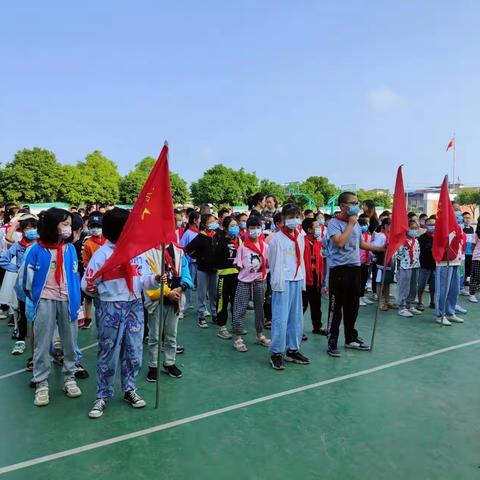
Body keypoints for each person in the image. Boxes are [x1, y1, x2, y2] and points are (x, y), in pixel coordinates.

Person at [82, 208, 163, 419]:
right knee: (108, 352)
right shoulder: (103, 255)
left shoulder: (137, 252)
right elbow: (88, 284)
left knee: (134, 350)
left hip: (135, 305)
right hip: (111, 307)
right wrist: (104, 299)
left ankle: (129, 389)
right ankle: (102, 395)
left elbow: (144, 279)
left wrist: (155, 279)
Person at [21, 208, 82, 407]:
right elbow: (27, 283)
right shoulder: (36, 250)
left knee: (70, 341)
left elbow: (74, 275)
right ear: (51, 226)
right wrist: (38, 299)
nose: (68, 228)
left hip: (67, 300)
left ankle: (69, 376)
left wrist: (76, 300)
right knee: (42, 342)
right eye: (64, 224)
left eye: (69, 224)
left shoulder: (70, 248)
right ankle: (41, 382)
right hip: (45, 300)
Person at [325, 192, 385, 358]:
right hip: (339, 270)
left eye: (357, 202)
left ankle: (350, 338)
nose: (357, 206)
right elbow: (339, 242)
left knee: (353, 306)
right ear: (343, 206)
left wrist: (380, 248)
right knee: (336, 308)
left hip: (355, 268)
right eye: (353, 203)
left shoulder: (357, 224)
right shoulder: (334, 223)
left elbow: (361, 244)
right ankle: (332, 341)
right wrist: (351, 224)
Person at [268, 204, 309, 370]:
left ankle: (293, 349)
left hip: (297, 279)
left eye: (297, 216)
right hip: (282, 282)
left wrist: (302, 277)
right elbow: (273, 263)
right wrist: (277, 283)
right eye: (290, 217)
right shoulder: (276, 239)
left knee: (296, 318)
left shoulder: (300, 235)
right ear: (283, 219)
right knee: (280, 318)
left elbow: (301, 259)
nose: (294, 220)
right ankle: (276, 352)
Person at [144, 242, 193, 381]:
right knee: (155, 336)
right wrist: (166, 293)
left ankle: (169, 362)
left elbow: (185, 273)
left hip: (175, 300)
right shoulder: (148, 252)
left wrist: (181, 287)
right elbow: (147, 279)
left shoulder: (178, 251)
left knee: (172, 334)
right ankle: (153, 365)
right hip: (157, 300)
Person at [0, 215, 38, 355]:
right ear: (22, 231)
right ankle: (21, 340)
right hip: (23, 287)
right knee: (22, 313)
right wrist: (17, 269)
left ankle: (41, 343)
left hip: (39, 287)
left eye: (34, 228)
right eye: (27, 228)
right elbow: (3, 260)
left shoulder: (40, 245)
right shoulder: (18, 245)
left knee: (39, 315)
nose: (31, 231)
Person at [232, 216, 271, 351]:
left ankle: (260, 335)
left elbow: (267, 263)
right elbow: (238, 265)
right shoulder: (243, 247)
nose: (255, 231)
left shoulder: (265, 246)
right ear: (247, 230)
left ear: (262, 229)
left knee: (260, 309)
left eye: (257, 228)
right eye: (252, 228)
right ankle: (237, 338)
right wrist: (247, 273)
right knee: (240, 309)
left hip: (260, 281)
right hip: (244, 282)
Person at [185, 214, 218, 328]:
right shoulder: (200, 237)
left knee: (214, 293)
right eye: (211, 221)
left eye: (214, 221)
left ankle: (214, 313)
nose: (214, 223)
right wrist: (200, 257)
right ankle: (201, 316)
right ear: (204, 224)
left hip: (214, 269)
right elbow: (188, 249)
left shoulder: (215, 235)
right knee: (202, 293)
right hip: (202, 269)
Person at [434, 214, 466, 326]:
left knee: (455, 290)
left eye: (461, 219)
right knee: (443, 290)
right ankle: (439, 314)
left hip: (456, 262)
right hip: (444, 263)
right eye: (457, 219)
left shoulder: (460, 230)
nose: (460, 221)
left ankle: (450, 312)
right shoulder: (444, 229)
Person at [214, 216, 240, 340]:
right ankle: (222, 327)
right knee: (222, 302)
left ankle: (236, 325)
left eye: (236, 225)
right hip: (223, 276)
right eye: (232, 226)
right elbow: (216, 257)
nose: (235, 228)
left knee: (236, 302)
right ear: (225, 228)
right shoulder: (220, 241)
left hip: (237, 276)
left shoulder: (239, 241)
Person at [81, 212, 106, 329]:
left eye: (98, 226)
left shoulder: (108, 240)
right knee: (89, 297)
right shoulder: (88, 242)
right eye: (92, 227)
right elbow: (85, 260)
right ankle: (88, 317)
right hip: (93, 275)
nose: (95, 229)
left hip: (107, 275)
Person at [301, 218, 325, 334]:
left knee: (316, 304)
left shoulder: (318, 242)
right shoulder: (302, 242)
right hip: (305, 279)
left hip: (316, 278)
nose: (319, 228)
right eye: (316, 226)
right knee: (302, 306)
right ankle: (297, 329)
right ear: (309, 229)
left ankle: (317, 326)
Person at [396, 219, 422, 317]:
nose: (414, 230)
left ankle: (409, 304)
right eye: (412, 228)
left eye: (416, 228)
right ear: (407, 229)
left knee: (413, 286)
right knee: (404, 287)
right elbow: (398, 255)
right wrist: (398, 268)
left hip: (415, 265)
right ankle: (401, 307)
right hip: (405, 266)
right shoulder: (402, 241)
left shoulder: (416, 241)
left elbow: (418, 253)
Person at [179, 211, 200, 317]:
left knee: (201, 286)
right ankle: (184, 307)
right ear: (195, 220)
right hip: (190, 263)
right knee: (187, 284)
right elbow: (181, 247)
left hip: (199, 263)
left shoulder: (199, 232)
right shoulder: (188, 233)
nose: (200, 221)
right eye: (199, 219)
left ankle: (202, 307)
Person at [417, 216, 436, 311]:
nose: (432, 226)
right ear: (426, 225)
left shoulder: (438, 237)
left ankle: (433, 302)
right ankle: (419, 302)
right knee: (421, 285)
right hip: (424, 265)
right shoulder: (421, 238)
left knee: (434, 286)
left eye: (434, 224)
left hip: (435, 265)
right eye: (430, 225)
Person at [358, 214, 373, 306]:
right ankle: (358, 297)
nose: (364, 226)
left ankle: (362, 296)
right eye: (362, 224)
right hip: (358, 261)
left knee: (364, 280)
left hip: (366, 261)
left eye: (366, 224)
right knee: (359, 281)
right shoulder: (357, 235)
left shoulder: (369, 235)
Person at [461, 211, 475, 295]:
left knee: (469, 270)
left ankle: (467, 285)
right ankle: (461, 286)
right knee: (463, 270)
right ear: (462, 218)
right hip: (463, 253)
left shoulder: (471, 228)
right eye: (465, 217)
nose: (467, 219)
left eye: (469, 218)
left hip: (470, 253)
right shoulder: (460, 227)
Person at [468, 218, 480, 303]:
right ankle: (472, 294)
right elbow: (473, 246)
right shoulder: (476, 234)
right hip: (477, 258)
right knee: (475, 276)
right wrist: (475, 255)